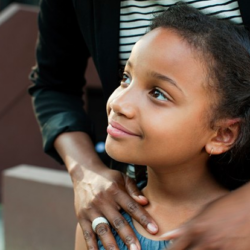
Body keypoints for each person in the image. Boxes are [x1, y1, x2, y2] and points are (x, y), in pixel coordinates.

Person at [29, 0, 250, 249]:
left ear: (222, 134)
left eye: (158, 94)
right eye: (125, 78)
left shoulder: (237, 234)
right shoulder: (103, 227)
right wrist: (85, 173)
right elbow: (53, 84)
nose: (119, 103)